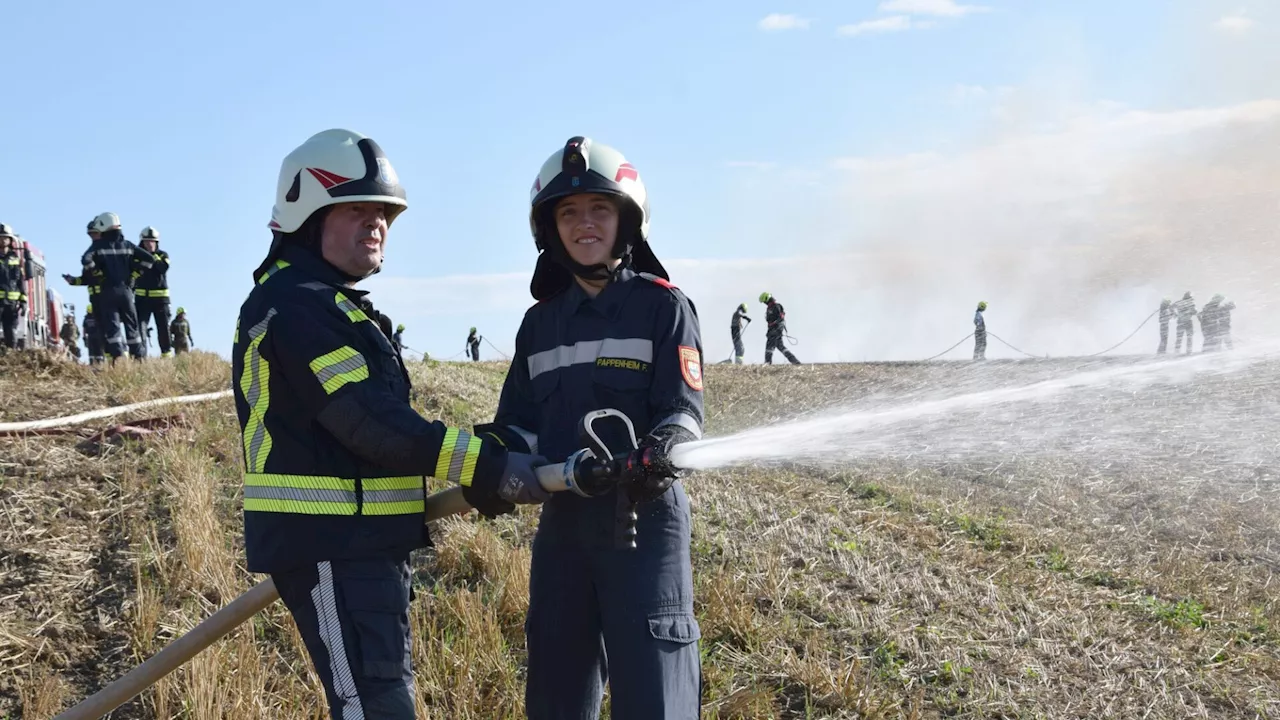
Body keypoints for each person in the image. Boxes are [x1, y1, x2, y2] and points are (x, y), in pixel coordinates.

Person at [230, 128, 542, 720]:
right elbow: (369, 423)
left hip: (364, 542)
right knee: (373, 709)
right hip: (331, 544)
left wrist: (485, 449)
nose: (376, 224)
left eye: (384, 213)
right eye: (356, 210)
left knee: (381, 703)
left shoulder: (329, 305)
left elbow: (382, 429)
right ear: (305, 214)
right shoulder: (297, 307)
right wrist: (485, 463)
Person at [483, 136, 704, 719]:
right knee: (556, 686)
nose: (584, 224)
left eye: (599, 210)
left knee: (655, 692)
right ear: (549, 230)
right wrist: (495, 459)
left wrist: (662, 450)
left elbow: (683, 410)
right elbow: (521, 425)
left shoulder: (665, 308)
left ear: (626, 221)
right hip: (565, 527)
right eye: (568, 212)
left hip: (644, 524)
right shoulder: (539, 325)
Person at [81, 212, 154, 361]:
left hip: (107, 292)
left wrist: (97, 273)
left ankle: (118, 358)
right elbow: (149, 259)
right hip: (126, 292)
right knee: (131, 326)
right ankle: (138, 358)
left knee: (113, 326)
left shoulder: (98, 245)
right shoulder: (127, 245)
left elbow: (86, 260)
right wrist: (135, 274)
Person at [134, 226, 174, 357]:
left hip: (160, 300)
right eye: (146, 241)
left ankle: (166, 356)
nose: (149, 244)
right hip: (142, 299)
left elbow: (163, 268)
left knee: (163, 329)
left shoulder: (163, 255)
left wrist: (153, 257)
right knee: (141, 328)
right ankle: (141, 357)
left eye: (152, 241)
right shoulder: (137, 256)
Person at [759, 292, 800, 365]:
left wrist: (775, 326)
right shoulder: (769, 308)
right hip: (772, 330)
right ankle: (795, 361)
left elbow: (781, 318)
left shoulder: (776, 306)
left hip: (776, 330)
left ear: (767, 299)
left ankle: (767, 362)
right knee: (781, 347)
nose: (764, 303)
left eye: (764, 301)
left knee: (769, 346)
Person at [0, 225, 24, 350]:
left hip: (11, 304)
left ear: (10, 241)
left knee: (11, 334)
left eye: (5, 238)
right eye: (0, 238)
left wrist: (23, 301)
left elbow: (21, 281)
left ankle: (11, 356)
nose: (2, 240)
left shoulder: (15, 258)